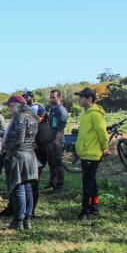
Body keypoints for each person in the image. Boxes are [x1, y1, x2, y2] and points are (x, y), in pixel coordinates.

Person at [2, 96, 40, 230]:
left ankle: (19, 220)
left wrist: (8, 154)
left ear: (17, 106)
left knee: (18, 187)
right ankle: (27, 220)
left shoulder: (20, 117)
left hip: (19, 155)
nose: (9, 108)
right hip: (30, 154)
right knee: (28, 187)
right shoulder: (33, 117)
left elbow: (19, 140)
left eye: (10, 106)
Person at [74, 87, 110, 220]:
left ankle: (85, 211)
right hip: (85, 153)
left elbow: (103, 133)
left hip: (92, 154)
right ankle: (94, 207)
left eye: (81, 97)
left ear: (89, 99)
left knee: (87, 183)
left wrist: (105, 148)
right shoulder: (85, 113)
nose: (79, 99)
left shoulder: (95, 114)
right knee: (91, 182)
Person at [32, 105, 52, 218]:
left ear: (42, 115)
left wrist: (34, 145)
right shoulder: (37, 125)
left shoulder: (44, 127)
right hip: (35, 159)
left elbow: (44, 146)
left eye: (36, 115)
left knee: (33, 185)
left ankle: (31, 211)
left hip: (38, 160)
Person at [46, 89, 68, 193]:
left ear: (59, 98)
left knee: (58, 163)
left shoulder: (61, 110)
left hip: (57, 141)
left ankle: (59, 186)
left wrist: (56, 140)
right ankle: (52, 183)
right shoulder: (53, 109)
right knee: (51, 163)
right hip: (51, 140)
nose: (51, 99)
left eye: (53, 97)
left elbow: (61, 127)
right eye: (50, 97)